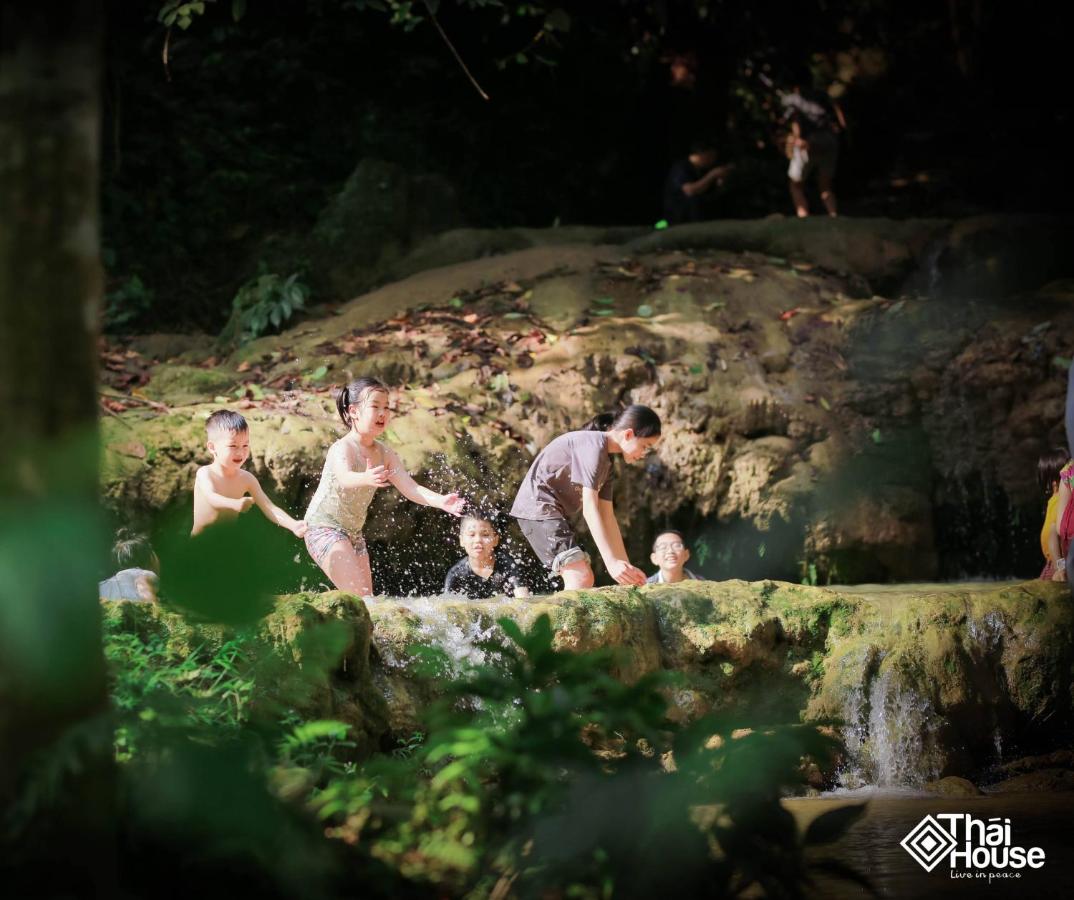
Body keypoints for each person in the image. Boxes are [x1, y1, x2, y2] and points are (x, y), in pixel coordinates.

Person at [305, 376, 465, 596]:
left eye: (386, 407)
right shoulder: (343, 447)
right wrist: (366, 477)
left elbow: (410, 488)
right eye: (375, 406)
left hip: (354, 534)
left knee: (368, 603)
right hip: (323, 528)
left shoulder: (384, 453)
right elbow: (344, 477)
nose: (383, 413)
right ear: (353, 411)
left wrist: (441, 501)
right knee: (362, 598)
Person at [510, 405, 662, 590]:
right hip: (537, 509)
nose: (644, 454)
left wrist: (625, 568)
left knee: (583, 578)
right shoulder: (593, 446)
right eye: (645, 446)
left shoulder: (607, 464)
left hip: (551, 514)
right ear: (628, 434)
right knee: (579, 577)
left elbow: (607, 516)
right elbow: (590, 510)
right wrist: (611, 563)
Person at [192, 409, 308, 539]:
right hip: (199, 541)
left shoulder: (246, 479)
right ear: (212, 447)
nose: (240, 452)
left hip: (227, 541)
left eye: (245, 445)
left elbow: (269, 507)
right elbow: (211, 497)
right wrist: (235, 504)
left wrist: (293, 525)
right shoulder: (205, 473)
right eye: (233, 446)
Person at [779, 70, 845, 218]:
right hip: (829, 140)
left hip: (807, 142)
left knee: (795, 184)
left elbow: (793, 120)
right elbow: (839, 119)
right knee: (825, 185)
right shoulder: (823, 96)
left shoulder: (793, 99)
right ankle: (833, 215)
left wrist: (797, 139)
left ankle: (803, 216)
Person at [443, 514, 531, 599]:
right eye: (472, 535)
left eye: (485, 535)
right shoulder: (456, 574)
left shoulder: (508, 566)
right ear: (461, 540)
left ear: (495, 540)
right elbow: (448, 605)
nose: (478, 540)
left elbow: (523, 600)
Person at [662, 140, 735, 225]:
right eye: (710, 156)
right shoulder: (681, 168)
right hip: (679, 215)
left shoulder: (702, 169)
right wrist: (712, 175)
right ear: (701, 154)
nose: (713, 160)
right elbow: (690, 191)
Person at [99, 529, 160, 602]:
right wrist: (154, 604)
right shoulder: (145, 574)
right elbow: (143, 585)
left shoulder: (114, 581)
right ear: (150, 558)